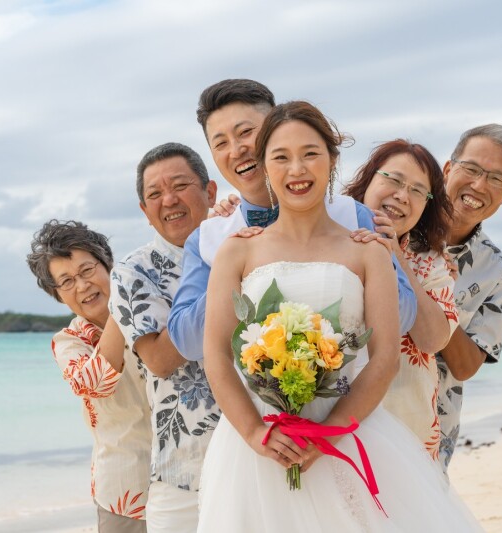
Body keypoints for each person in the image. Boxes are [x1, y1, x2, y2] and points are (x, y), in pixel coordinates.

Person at [197, 101, 482, 532]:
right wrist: (255, 433)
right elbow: (216, 355)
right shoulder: (237, 250)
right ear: (264, 167)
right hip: (258, 445)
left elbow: (383, 358)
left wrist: (327, 434)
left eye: (310, 153)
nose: (297, 169)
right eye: (281, 157)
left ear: (331, 160)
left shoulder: (367, 251)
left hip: (349, 432)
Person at [167, 79, 416, 362]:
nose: (236, 150)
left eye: (246, 132)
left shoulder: (354, 216)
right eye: (221, 143)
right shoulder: (210, 239)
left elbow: (404, 317)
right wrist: (233, 273)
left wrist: (369, 261)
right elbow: (186, 343)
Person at [107, 143, 219, 533]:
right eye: (154, 194)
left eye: (180, 185)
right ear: (144, 211)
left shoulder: (252, 243)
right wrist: (225, 274)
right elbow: (160, 359)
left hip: (265, 452)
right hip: (185, 465)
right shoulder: (132, 272)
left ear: (211, 192)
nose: (168, 199)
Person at [26, 220, 150, 532]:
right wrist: (122, 309)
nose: (82, 286)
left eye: (86, 271)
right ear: (57, 295)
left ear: (108, 265)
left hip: (192, 476)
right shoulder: (69, 341)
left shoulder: (152, 310)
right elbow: (95, 384)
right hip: (127, 491)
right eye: (66, 281)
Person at [343, 140, 459, 460]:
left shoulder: (430, 262)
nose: (402, 195)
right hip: (334, 425)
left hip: (407, 431)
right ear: (368, 180)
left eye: (418, 191)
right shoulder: (324, 235)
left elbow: (433, 338)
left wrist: (394, 252)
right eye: (393, 180)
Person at [436, 124, 502, 471]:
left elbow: (466, 365)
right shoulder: (395, 226)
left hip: (430, 428)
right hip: (352, 417)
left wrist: (433, 296)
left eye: (496, 179)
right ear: (447, 169)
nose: (479, 185)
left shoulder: (497, 273)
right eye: (471, 169)